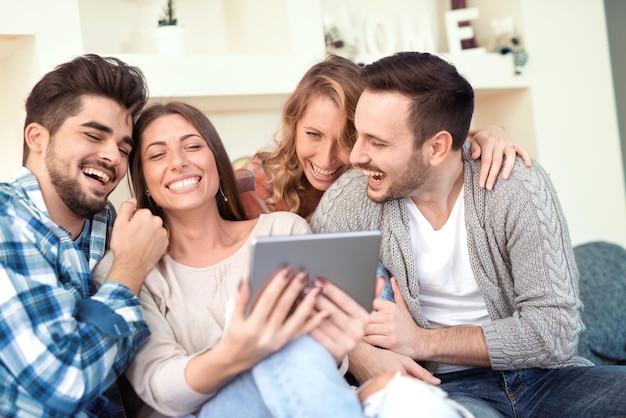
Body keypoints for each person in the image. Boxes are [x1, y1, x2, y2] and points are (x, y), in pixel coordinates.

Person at [311, 51, 626, 417]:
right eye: (359, 134)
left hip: (545, 379)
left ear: (438, 148)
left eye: (377, 142)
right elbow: (309, 311)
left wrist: (419, 340)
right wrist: (362, 355)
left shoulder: (516, 187)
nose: (356, 156)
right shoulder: (348, 203)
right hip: (447, 391)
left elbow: (554, 332)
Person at [92, 101, 382, 418]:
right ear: (143, 179)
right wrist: (239, 350)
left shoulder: (282, 231)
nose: (179, 162)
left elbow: (321, 359)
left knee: (404, 396)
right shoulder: (128, 266)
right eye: (158, 155)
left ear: (216, 160)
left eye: (192, 146)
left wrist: (337, 336)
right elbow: (162, 389)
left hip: (298, 399)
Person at [0, 54, 169, 417]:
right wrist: (130, 268)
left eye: (125, 148)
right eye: (94, 135)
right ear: (38, 138)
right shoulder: (5, 219)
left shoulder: (112, 226)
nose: (113, 156)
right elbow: (64, 380)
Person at [237, 54, 531, 221]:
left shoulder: (379, 173)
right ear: (293, 123)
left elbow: (430, 141)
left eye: (346, 138)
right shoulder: (254, 188)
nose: (326, 158)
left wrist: (492, 133)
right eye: (313, 134)